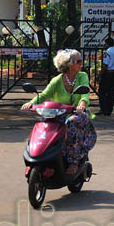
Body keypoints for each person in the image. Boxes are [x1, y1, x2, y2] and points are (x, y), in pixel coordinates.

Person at [21, 49, 96, 177]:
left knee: (71, 122)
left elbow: (85, 94)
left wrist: (82, 105)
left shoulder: (82, 76)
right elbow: (44, 95)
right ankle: (41, 157)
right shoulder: (57, 80)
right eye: (78, 61)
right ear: (69, 64)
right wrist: (31, 103)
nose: (81, 64)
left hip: (78, 113)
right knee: (44, 126)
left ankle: (73, 161)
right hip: (58, 113)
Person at [99, 36, 114, 116]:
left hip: (108, 73)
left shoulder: (107, 52)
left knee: (102, 92)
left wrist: (101, 74)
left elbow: (105, 64)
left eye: (105, 44)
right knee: (111, 93)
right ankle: (109, 110)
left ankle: (103, 109)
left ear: (107, 44)